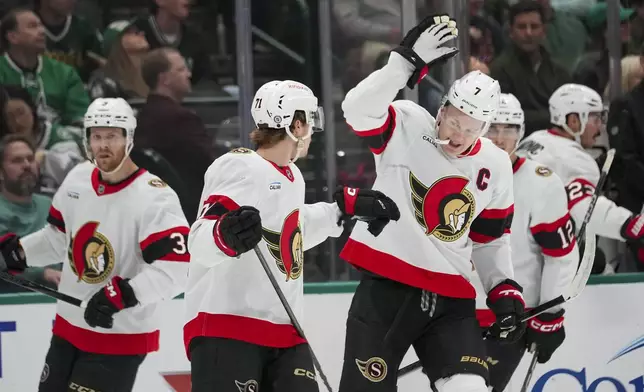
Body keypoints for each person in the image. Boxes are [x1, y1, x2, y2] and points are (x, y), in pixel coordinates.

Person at [337, 15, 526, 392]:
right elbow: (355, 110)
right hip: (386, 290)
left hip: (450, 298)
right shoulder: (408, 124)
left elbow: (490, 238)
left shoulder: (495, 164)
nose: (459, 136)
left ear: (485, 129)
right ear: (442, 109)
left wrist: (503, 288)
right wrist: (402, 65)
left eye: (472, 129)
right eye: (455, 123)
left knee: (470, 388)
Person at [184, 80, 400, 392]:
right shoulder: (241, 165)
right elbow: (201, 240)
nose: (312, 130)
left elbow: (288, 232)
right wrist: (224, 235)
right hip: (227, 327)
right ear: (296, 125)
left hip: (284, 331)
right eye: (310, 121)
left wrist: (340, 212)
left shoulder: (290, 175)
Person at [0, 97, 190, 392]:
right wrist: (19, 253)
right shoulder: (77, 179)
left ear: (129, 138)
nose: (103, 145)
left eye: (112, 136)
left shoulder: (155, 197)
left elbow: (176, 271)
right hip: (68, 327)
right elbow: (58, 238)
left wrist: (126, 293)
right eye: (97, 136)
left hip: (119, 335)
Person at [475, 94, 578, 391]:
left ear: (521, 132)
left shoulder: (540, 182)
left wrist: (550, 314)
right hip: (454, 315)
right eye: (492, 127)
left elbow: (560, 256)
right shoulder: (455, 171)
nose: (500, 137)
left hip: (510, 318)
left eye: (509, 128)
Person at [516, 84, 644, 270]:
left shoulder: (533, 139)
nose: (600, 125)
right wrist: (629, 224)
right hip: (535, 254)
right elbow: (585, 208)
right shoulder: (575, 159)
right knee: (594, 261)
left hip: (506, 240)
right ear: (574, 120)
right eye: (595, 117)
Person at [136, 48, 212, 223]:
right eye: (181, 69)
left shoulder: (143, 116)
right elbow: (212, 168)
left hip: (156, 210)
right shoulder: (181, 120)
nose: (189, 74)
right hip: (193, 211)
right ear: (165, 79)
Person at [0, 8, 90, 127]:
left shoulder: (65, 72)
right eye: (32, 26)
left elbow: (81, 118)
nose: (42, 31)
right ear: (12, 37)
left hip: (62, 140)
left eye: (41, 25)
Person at [0, 134, 61, 293]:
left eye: (30, 158)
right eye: (17, 160)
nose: (27, 165)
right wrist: (43, 274)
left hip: (57, 301)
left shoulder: (49, 205)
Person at [88, 20, 150, 101]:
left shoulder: (153, 75)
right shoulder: (104, 80)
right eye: (132, 33)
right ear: (116, 41)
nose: (142, 34)